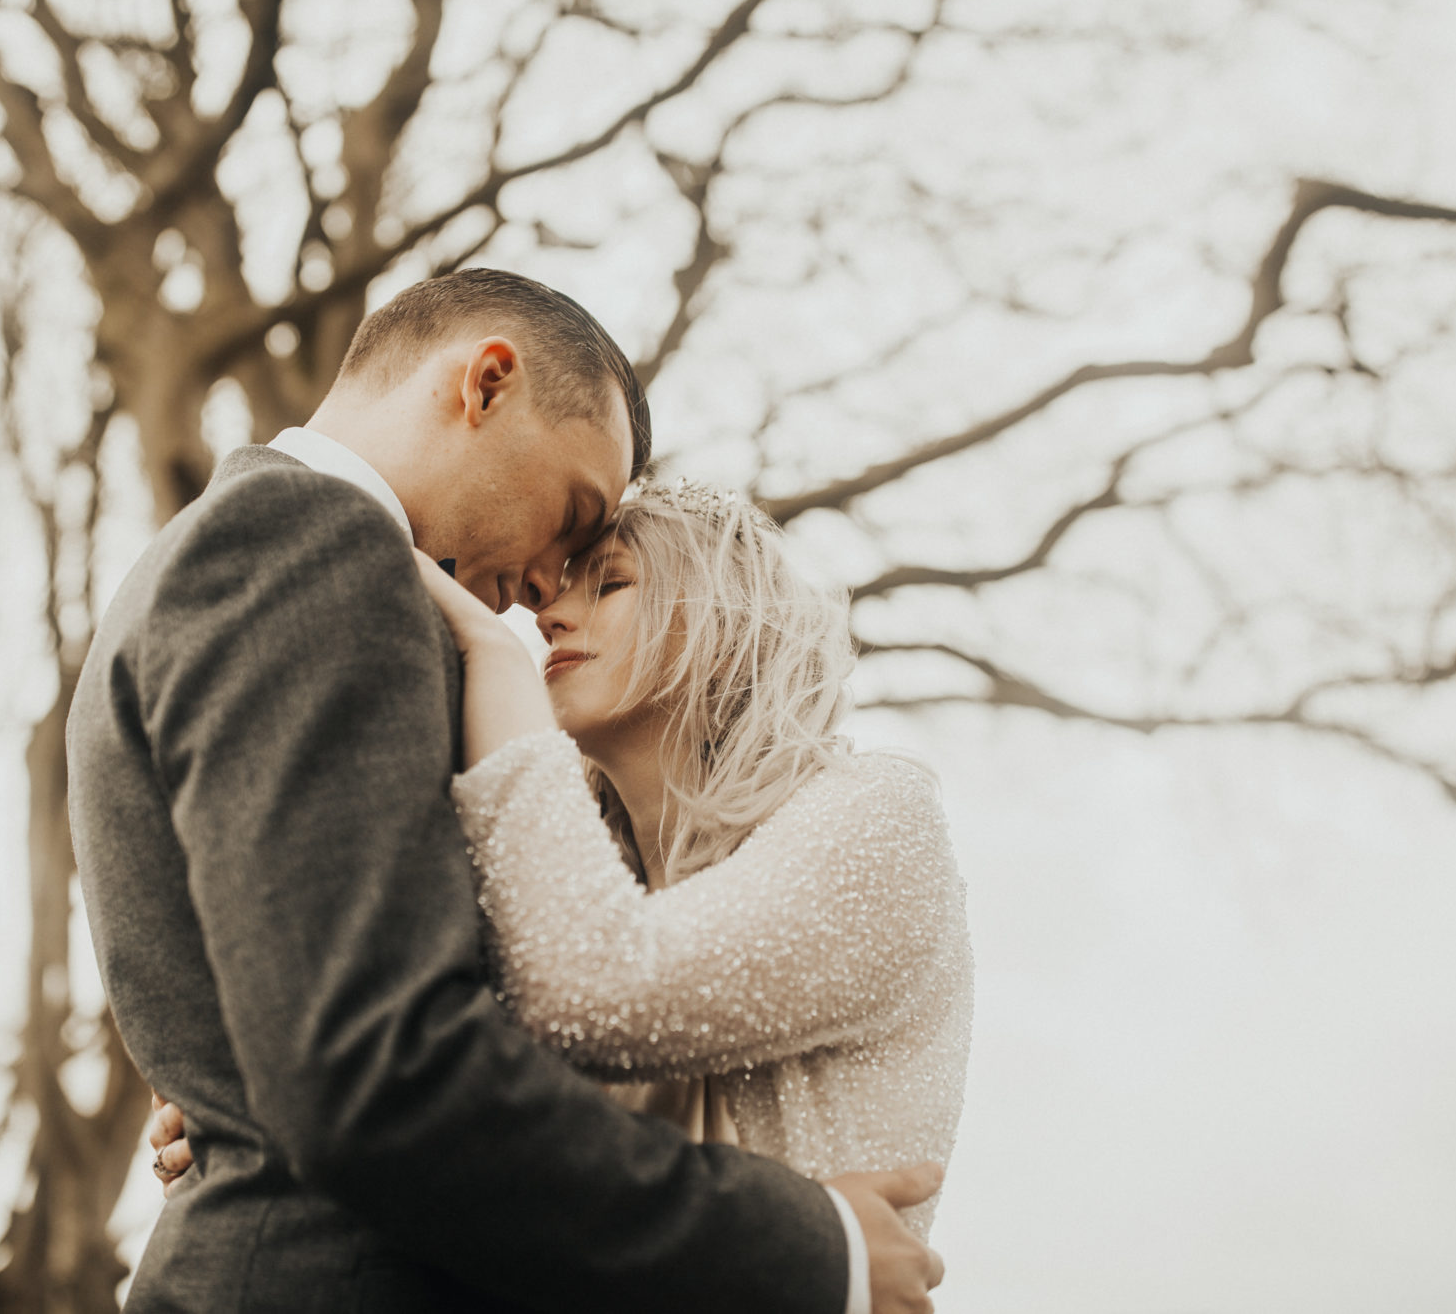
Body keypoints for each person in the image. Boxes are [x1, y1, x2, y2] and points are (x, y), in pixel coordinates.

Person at [66, 267, 945, 1314]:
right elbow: (374, 1073)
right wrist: (809, 1251)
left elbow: (362, 1027)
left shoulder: (276, 559)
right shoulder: (315, 544)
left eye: (598, 570)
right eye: (572, 519)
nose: (540, 594)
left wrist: (258, 1054)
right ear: (484, 385)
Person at [155, 479, 975, 1246]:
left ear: (728, 635)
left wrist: (488, 648)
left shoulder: (879, 816)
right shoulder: (568, 884)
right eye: (558, 592)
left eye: (610, 583)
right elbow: (425, 1100)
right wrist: (254, 1110)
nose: (548, 615)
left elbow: (593, 987)